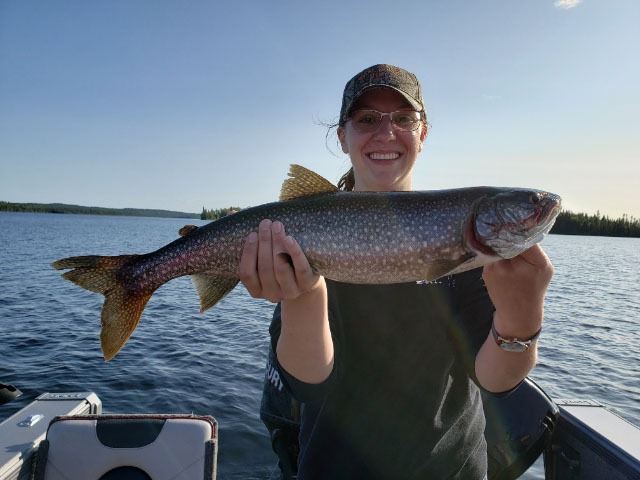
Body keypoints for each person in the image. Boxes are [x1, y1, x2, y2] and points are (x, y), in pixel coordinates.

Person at [240, 64, 554, 479]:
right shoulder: (305, 233)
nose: (386, 132)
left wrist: (522, 316)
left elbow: (495, 381)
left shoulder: (470, 250)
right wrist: (304, 295)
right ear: (342, 136)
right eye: (367, 119)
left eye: (404, 119)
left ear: (423, 134)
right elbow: (308, 383)